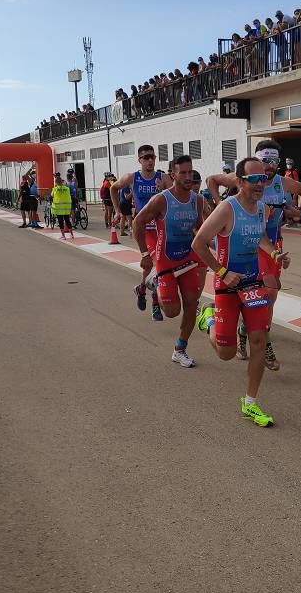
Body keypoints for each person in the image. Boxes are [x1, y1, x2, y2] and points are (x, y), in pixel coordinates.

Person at [192, 157, 291, 428]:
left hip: (252, 283)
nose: (261, 184)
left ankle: (250, 403)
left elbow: (260, 237)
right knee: (226, 352)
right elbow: (199, 243)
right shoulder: (227, 209)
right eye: (255, 179)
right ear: (239, 181)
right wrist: (222, 272)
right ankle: (208, 318)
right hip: (227, 285)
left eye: (264, 179)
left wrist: (275, 254)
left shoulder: (262, 209)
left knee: (259, 340)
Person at [206, 140, 301, 369]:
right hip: (250, 245)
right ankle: (263, 342)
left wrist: (298, 211)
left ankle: (247, 332)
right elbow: (211, 180)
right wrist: (217, 205)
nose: (269, 167)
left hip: (273, 244)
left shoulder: (282, 183)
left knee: (268, 299)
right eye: (264, 161)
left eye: (273, 161)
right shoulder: (241, 178)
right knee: (268, 294)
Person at [133, 155, 208, 368]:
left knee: (192, 305)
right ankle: (154, 283)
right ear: (172, 175)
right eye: (182, 172)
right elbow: (138, 222)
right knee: (172, 311)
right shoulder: (162, 200)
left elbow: (204, 230)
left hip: (189, 260)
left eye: (190, 172)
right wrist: (144, 254)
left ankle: (180, 349)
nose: (188, 176)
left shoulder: (198, 200)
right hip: (166, 261)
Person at [110, 145, 172, 321]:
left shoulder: (163, 178)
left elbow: (175, 198)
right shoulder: (132, 178)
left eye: (152, 157)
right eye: (145, 157)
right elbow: (113, 189)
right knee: (154, 264)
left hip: (161, 228)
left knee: (152, 266)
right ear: (139, 160)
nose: (150, 160)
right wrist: (117, 211)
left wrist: (164, 191)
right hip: (143, 229)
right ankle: (155, 305)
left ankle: (142, 289)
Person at [50, 172, 74, 239]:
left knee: (60, 222)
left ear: (56, 183)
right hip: (66, 208)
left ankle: (63, 236)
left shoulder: (55, 189)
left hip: (59, 209)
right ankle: (72, 234)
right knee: (67, 221)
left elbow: (51, 195)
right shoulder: (67, 189)